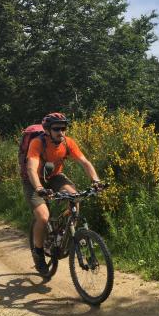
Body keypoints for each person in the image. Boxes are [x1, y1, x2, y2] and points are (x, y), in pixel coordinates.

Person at [24, 112, 102, 276]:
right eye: (56, 128)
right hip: (34, 180)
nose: (61, 132)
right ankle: (38, 253)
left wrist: (96, 181)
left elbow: (85, 162)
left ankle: (62, 233)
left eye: (64, 128)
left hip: (54, 176)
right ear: (47, 130)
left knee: (75, 197)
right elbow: (31, 168)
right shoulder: (38, 143)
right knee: (43, 217)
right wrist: (39, 188)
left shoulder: (68, 143)